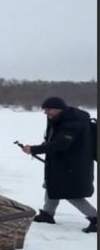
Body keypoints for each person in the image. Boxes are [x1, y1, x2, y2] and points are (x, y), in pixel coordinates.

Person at [20, 96, 97, 233]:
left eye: (48, 109)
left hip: (73, 165)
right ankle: (47, 214)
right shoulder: (58, 118)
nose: (46, 113)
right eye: (44, 110)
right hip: (61, 162)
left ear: (59, 109)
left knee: (71, 193)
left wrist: (34, 149)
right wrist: (42, 147)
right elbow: (53, 140)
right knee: (51, 184)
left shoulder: (73, 122)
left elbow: (61, 144)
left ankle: (95, 218)